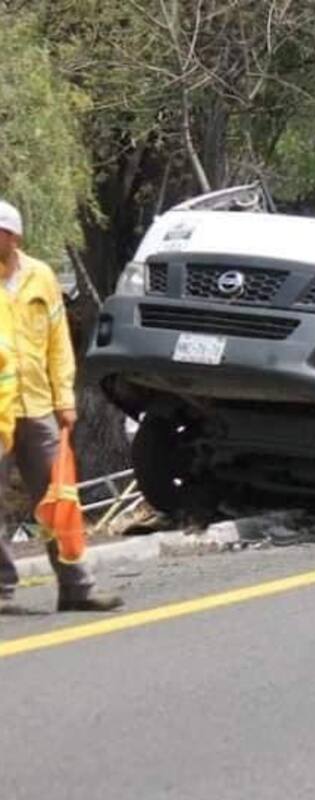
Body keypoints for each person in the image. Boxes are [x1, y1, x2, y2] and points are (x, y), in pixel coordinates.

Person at [0, 199, 123, 613]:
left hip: (37, 406)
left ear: (12, 236)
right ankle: (2, 590)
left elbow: (57, 343)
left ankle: (77, 588)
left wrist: (64, 398)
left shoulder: (41, 276)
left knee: (59, 499)